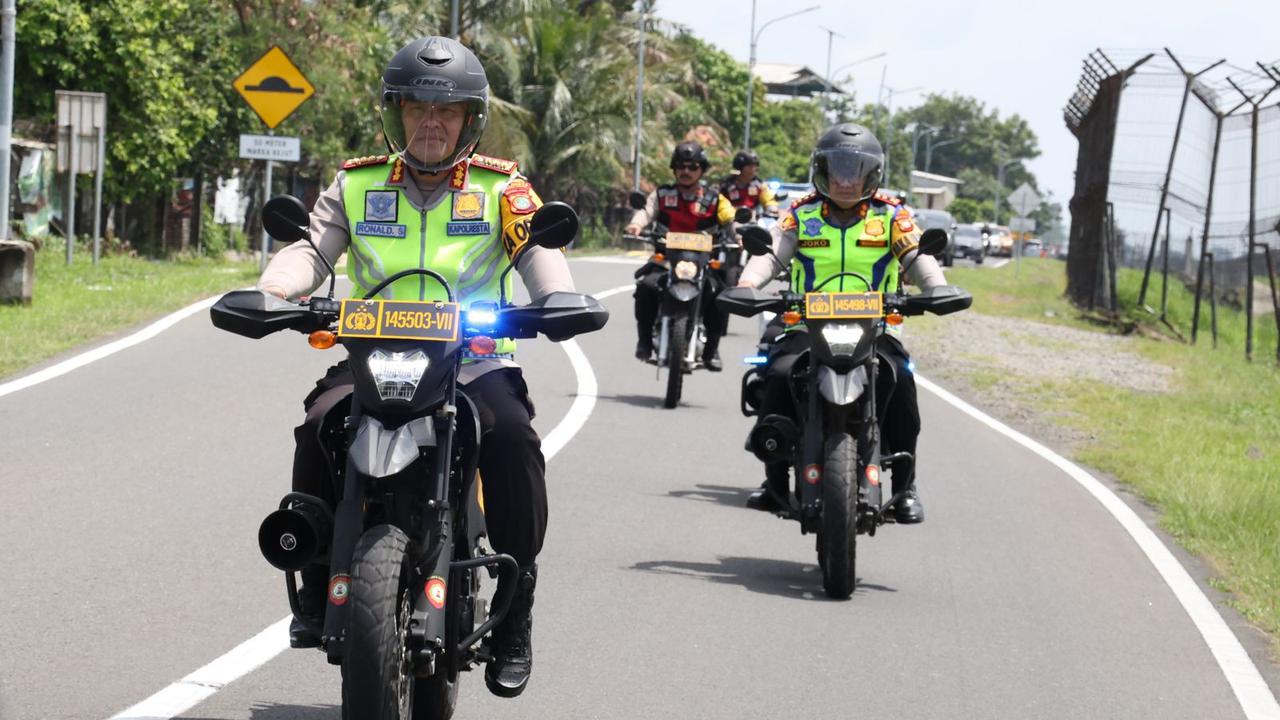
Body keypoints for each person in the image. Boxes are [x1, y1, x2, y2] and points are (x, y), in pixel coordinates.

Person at [256, 36, 569, 699]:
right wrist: (274, 291)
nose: (431, 122)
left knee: (512, 439)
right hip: (371, 357)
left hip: (474, 364)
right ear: (395, 113)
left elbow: (538, 254)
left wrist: (557, 297)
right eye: (417, 108)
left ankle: (517, 608)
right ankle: (315, 579)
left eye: (447, 110)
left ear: (469, 120)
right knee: (318, 424)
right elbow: (310, 251)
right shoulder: (358, 183)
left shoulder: (501, 189)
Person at [735, 123, 947, 524]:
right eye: (838, 169)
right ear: (823, 170)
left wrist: (936, 287)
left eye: (856, 170)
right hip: (806, 327)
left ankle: (905, 487)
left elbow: (919, 258)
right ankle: (774, 481)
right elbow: (772, 254)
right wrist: (747, 284)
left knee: (900, 382)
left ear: (872, 174)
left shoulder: (892, 217)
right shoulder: (802, 214)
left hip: (877, 330)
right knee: (778, 374)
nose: (847, 180)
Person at [624, 141, 736, 370]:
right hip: (666, 259)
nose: (686, 171)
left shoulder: (716, 199)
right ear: (674, 169)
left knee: (720, 295)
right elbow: (646, 211)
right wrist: (636, 225)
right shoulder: (662, 194)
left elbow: (730, 221)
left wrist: (740, 237)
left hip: (703, 262)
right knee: (645, 286)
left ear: (701, 170)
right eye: (681, 166)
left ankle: (711, 350)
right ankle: (644, 340)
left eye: (693, 167)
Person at [719, 149, 778, 220]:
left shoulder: (759, 185)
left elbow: (769, 199)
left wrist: (772, 207)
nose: (753, 169)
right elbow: (720, 205)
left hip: (754, 222)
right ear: (740, 166)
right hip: (731, 221)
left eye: (755, 165)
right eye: (750, 166)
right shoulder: (726, 186)